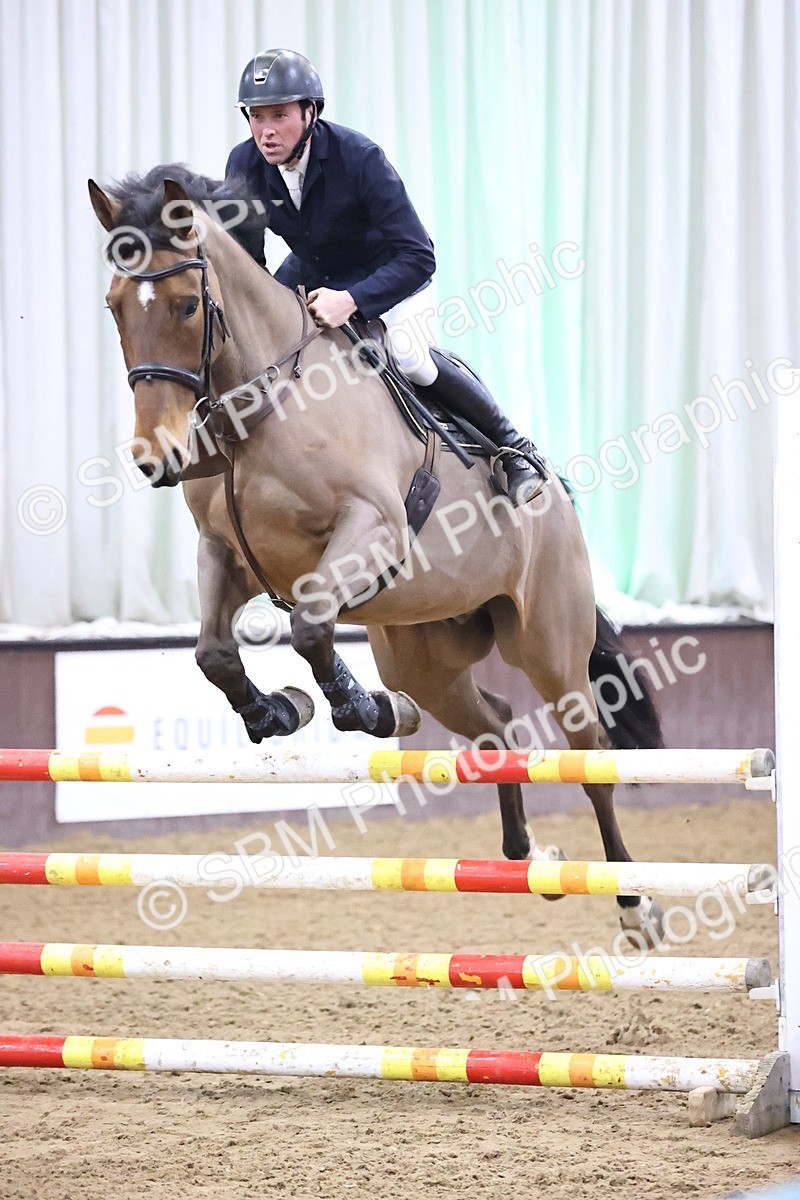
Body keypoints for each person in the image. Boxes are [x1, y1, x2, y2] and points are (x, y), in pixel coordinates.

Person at [225, 48, 547, 505]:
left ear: (310, 112)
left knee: (409, 355)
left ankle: (514, 448)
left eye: (279, 115)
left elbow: (419, 255)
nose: (266, 131)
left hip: (390, 273)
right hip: (316, 270)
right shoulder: (244, 165)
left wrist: (351, 299)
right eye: (256, 117)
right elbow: (248, 260)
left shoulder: (359, 158)